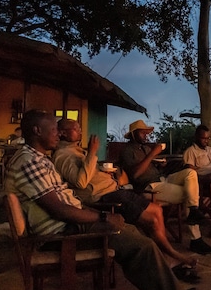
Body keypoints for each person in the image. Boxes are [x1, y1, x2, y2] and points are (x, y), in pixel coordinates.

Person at [6, 110, 189, 290]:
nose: (58, 133)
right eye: (53, 129)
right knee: (142, 247)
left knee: (133, 234)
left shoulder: (39, 159)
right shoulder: (29, 161)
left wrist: (100, 215)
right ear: (37, 131)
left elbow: (66, 203)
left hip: (70, 226)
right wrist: (103, 217)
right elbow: (59, 209)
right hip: (62, 235)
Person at [53, 118, 199, 276]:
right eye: (76, 128)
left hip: (116, 190)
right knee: (152, 219)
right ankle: (171, 256)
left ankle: (166, 257)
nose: (80, 131)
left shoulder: (77, 151)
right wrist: (93, 152)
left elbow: (89, 173)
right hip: (104, 197)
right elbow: (81, 182)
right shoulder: (63, 155)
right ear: (62, 133)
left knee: (157, 210)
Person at [119, 119, 211, 255]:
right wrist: (153, 154)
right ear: (133, 134)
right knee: (190, 195)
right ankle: (196, 239)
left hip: (163, 179)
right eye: (143, 133)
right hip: (149, 187)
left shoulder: (145, 148)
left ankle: (194, 213)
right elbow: (135, 174)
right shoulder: (127, 151)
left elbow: (149, 167)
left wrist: (159, 165)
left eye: (147, 133)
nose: (146, 135)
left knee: (190, 173)